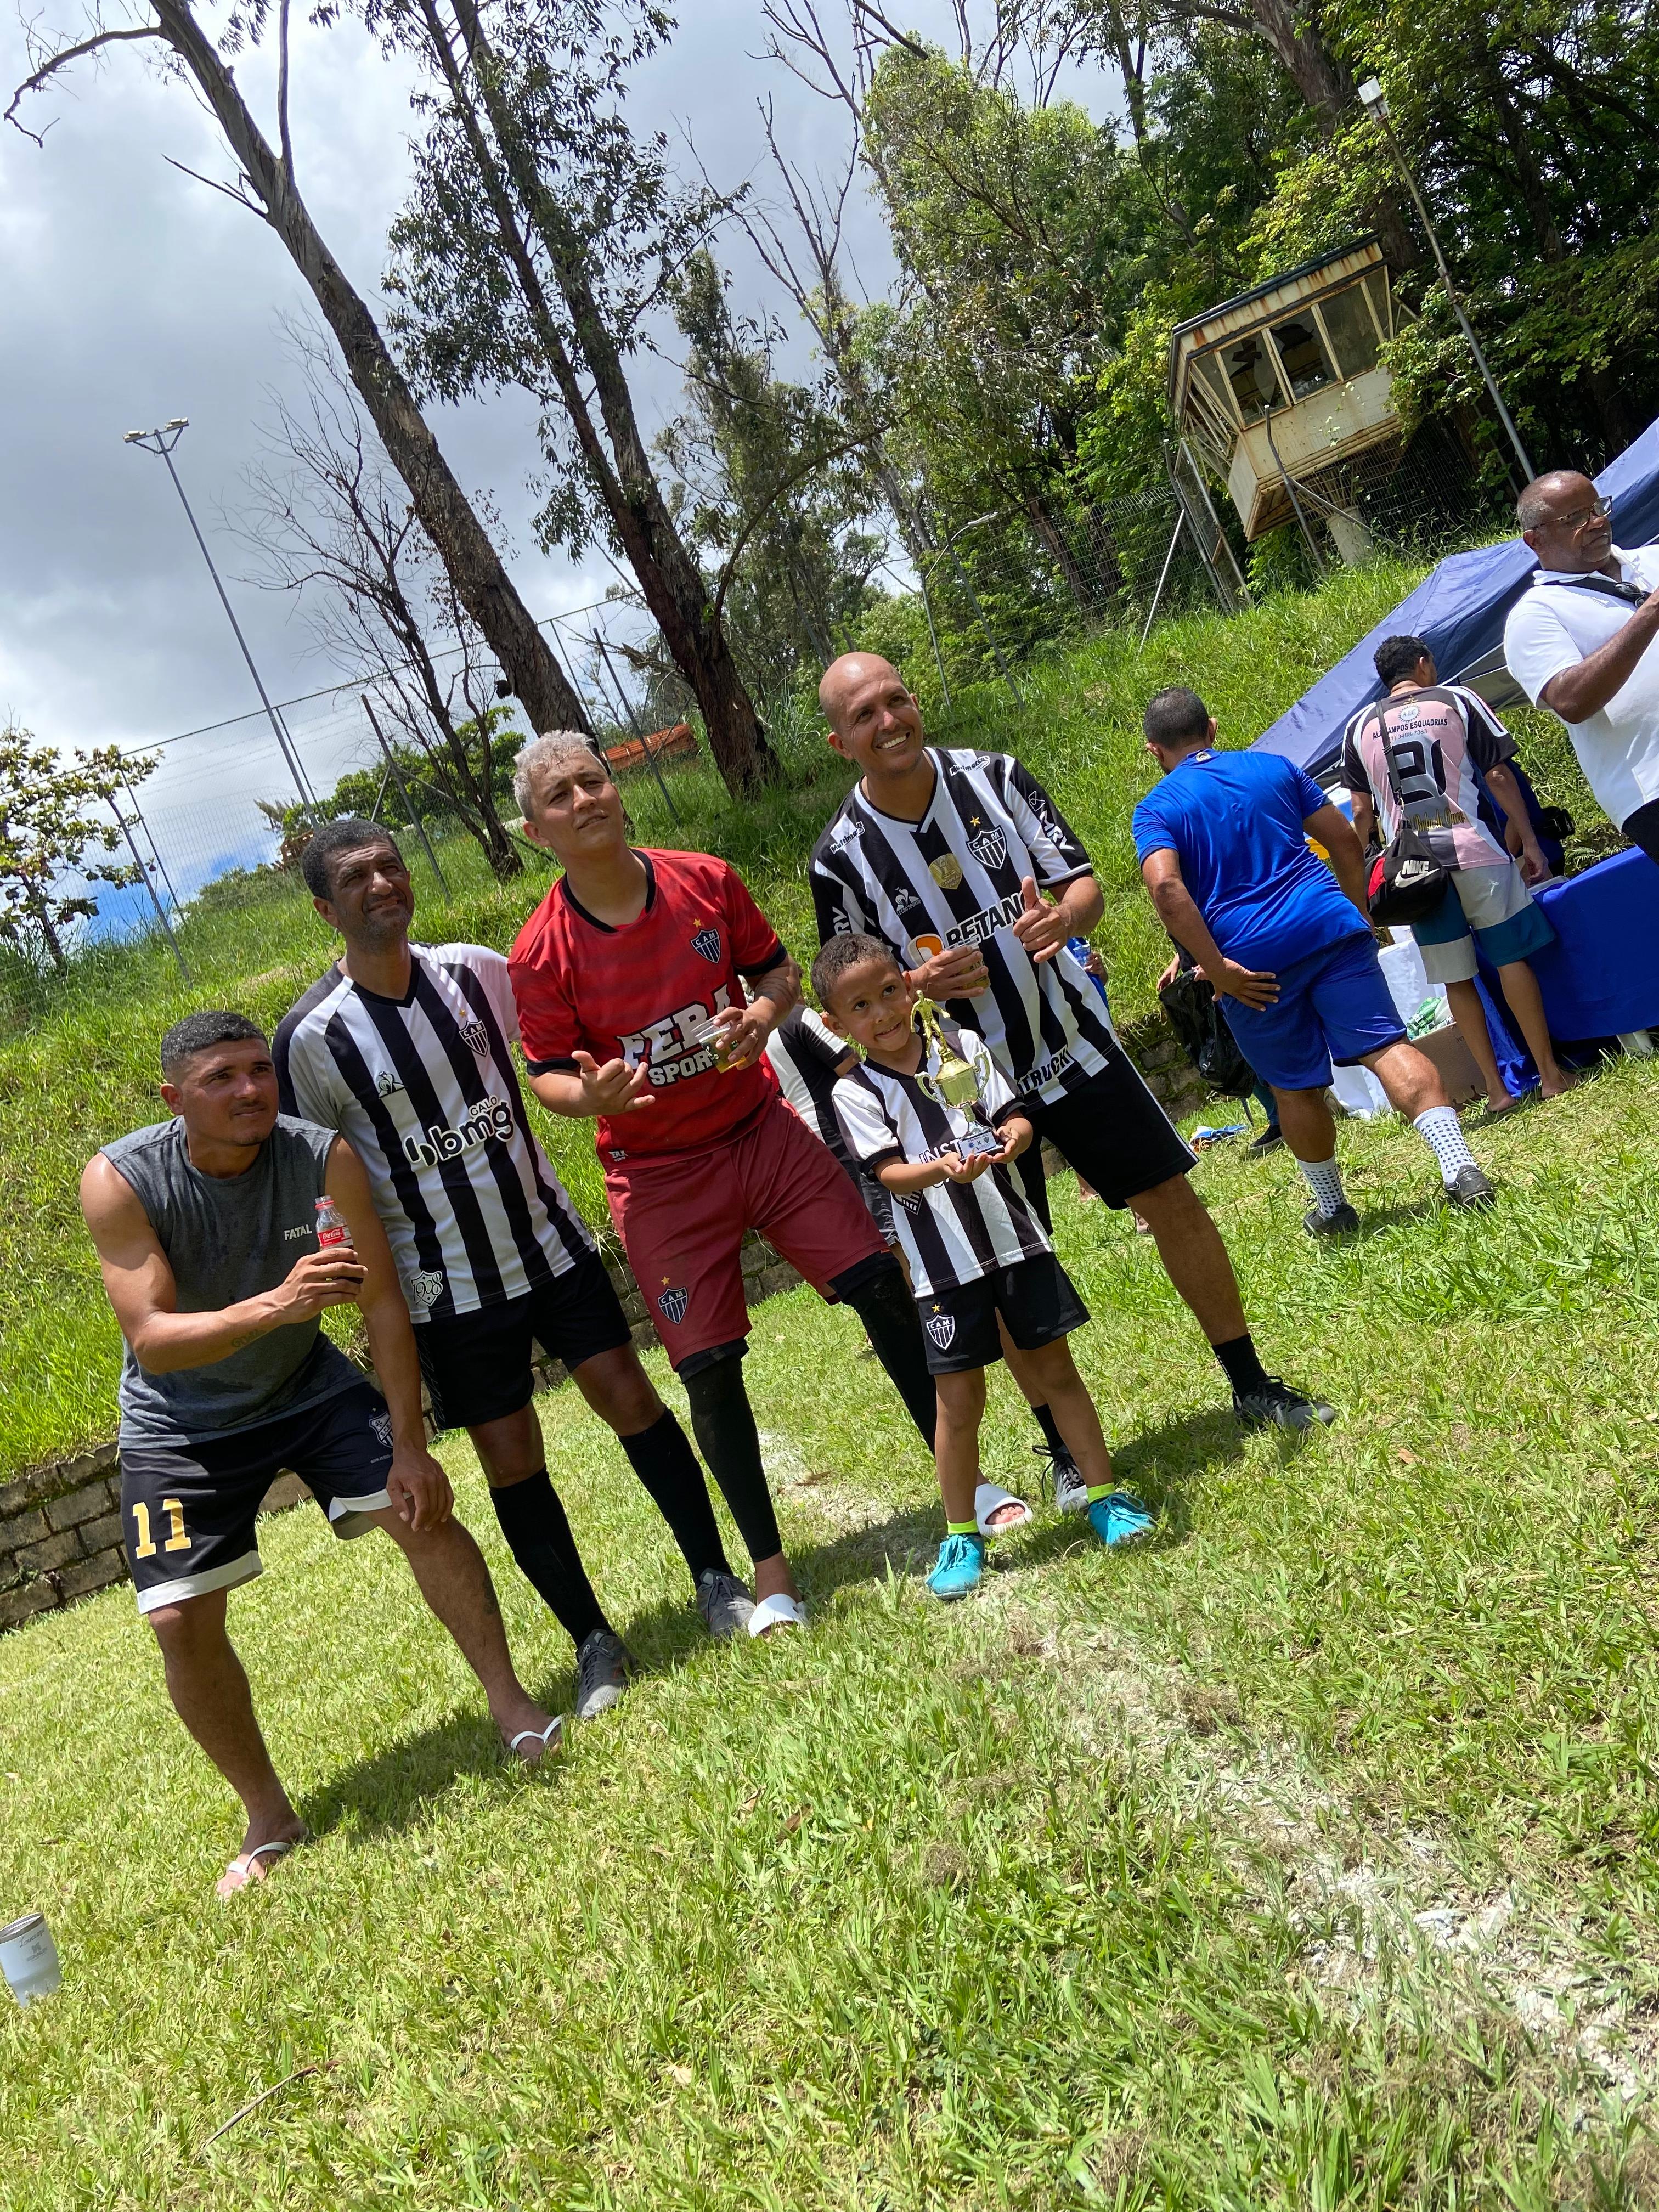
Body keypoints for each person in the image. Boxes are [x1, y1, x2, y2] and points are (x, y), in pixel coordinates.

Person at [80, 1012, 562, 1900]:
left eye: (258, 1070)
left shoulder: (320, 1156)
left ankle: (513, 1706)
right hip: (178, 1422)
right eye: (221, 1078)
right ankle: (269, 1815)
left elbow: (381, 1303)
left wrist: (410, 1445)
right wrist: (279, 1304)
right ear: (174, 1099)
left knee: (421, 1511)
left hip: (305, 1385)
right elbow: (152, 1339)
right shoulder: (122, 1178)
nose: (250, 1090)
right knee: (177, 1619)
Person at [274, 819, 754, 1706]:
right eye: (355, 878)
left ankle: (715, 1578)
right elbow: (314, 1172)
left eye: (389, 866)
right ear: (324, 910)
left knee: (632, 1399)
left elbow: (562, 1045)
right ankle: (594, 1642)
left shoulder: (477, 972)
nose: (381, 884)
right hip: (447, 1289)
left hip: (548, 1242)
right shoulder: (311, 1037)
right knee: (509, 1456)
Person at [811, 651, 1333, 1433]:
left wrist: (1064, 919)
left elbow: (1083, 886)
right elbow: (854, 991)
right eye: (865, 715)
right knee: (1004, 1262)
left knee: (1171, 1199)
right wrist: (915, 985)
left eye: (897, 700)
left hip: (1071, 1040)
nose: (889, 722)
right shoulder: (839, 859)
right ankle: (1062, 1450)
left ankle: (1251, 1382)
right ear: (840, 743)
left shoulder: (996, 776)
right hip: (965, 1088)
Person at [506, 732, 950, 1636]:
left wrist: (761, 1013)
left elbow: (779, 971)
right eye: (560, 796)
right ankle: (771, 1575)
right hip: (658, 1178)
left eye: (593, 780)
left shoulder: (704, 879)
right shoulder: (539, 953)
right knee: (709, 1371)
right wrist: (587, 1097)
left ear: (617, 788)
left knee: (879, 1284)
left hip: (760, 1133)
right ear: (535, 831)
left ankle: (963, 1487)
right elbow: (546, 1074)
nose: (584, 800)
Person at [813, 934, 1152, 1600]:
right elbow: (889, 1174)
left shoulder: (961, 1046)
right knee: (959, 1403)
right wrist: (945, 1167)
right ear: (836, 1023)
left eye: (889, 992)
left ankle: (1105, 1497)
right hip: (944, 1273)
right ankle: (962, 1535)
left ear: (909, 985)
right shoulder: (854, 1092)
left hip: (1016, 1244)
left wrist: (1008, 1143)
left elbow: (1016, 1119)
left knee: (1057, 1372)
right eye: (861, 1007)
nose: (883, 1013)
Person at [1135, 689, 1494, 1232]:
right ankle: (1460, 1166)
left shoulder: (1156, 809)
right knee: (1386, 1047)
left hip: (1251, 963)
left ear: (1154, 751)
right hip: (1328, 926)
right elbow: (1346, 843)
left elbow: (1166, 888)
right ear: (1212, 728)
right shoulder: (1274, 768)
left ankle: (1332, 1209)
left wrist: (1219, 968)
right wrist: (1357, 917)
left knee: (1294, 1087)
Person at [1341, 636, 1572, 1111]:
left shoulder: (1359, 726)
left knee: (1457, 980)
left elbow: (1361, 812)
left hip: (1415, 872)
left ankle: (1496, 1090)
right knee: (1511, 960)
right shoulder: (1458, 699)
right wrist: (1529, 841)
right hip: (1475, 850)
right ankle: (1550, 1076)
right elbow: (1499, 776)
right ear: (1422, 664)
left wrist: (1364, 872)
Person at [1503, 470, 1659, 864]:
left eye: (1597, 508)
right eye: (1575, 518)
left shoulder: (1653, 560)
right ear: (1535, 540)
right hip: (1650, 788)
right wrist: (1650, 613)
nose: (1597, 522)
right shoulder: (1535, 615)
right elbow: (1571, 702)